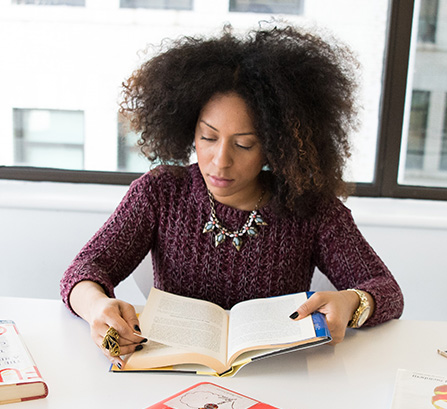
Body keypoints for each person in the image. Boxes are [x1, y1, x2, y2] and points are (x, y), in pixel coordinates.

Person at [60, 23, 404, 368]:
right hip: (170, 373)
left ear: (275, 147)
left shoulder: (310, 207)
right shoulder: (160, 192)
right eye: (208, 137)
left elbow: (387, 291)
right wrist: (95, 307)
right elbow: (84, 270)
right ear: (188, 129)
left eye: (244, 144)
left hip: (279, 378)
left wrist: (353, 302)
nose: (221, 160)